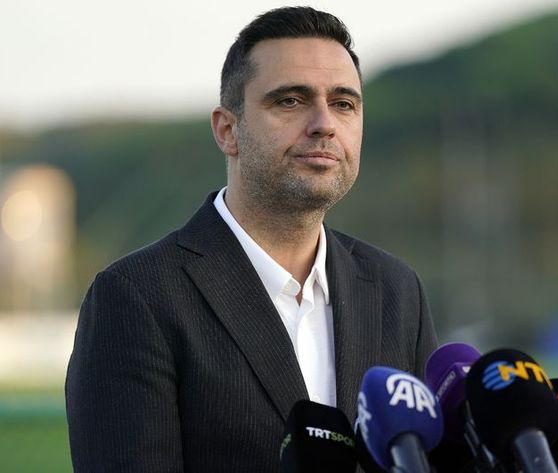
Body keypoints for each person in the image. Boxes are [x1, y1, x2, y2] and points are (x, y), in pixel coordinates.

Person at [66, 6, 438, 472]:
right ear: (228, 130)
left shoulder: (396, 290)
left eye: (343, 104)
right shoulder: (136, 296)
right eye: (291, 101)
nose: (324, 123)